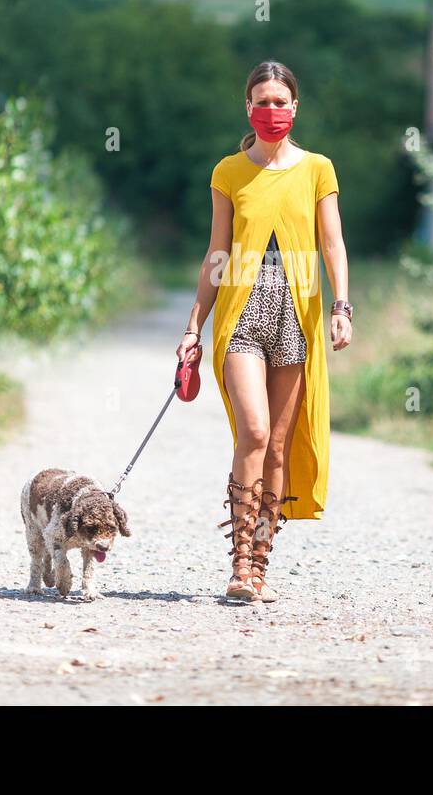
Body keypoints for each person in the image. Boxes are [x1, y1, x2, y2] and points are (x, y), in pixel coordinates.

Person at [176, 60, 352, 603]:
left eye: (280, 101)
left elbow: (332, 244)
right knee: (252, 431)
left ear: (295, 107)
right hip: (243, 314)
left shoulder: (318, 168)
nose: (270, 111)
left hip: (295, 315)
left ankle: (257, 565)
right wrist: (193, 326)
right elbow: (218, 252)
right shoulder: (229, 171)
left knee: (277, 447)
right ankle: (236, 564)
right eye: (261, 101)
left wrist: (341, 306)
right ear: (246, 108)